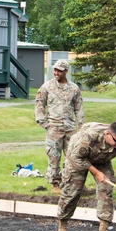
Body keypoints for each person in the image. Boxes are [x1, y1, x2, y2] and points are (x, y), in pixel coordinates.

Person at [35, 59, 84, 194]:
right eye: (55, 70)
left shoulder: (74, 88)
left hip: (70, 128)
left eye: (60, 71)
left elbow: (78, 107)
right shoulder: (47, 87)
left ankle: (69, 183)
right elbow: (39, 105)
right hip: (54, 127)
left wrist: (81, 125)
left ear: (66, 72)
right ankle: (55, 183)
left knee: (72, 157)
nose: (56, 73)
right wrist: (45, 123)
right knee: (53, 156)